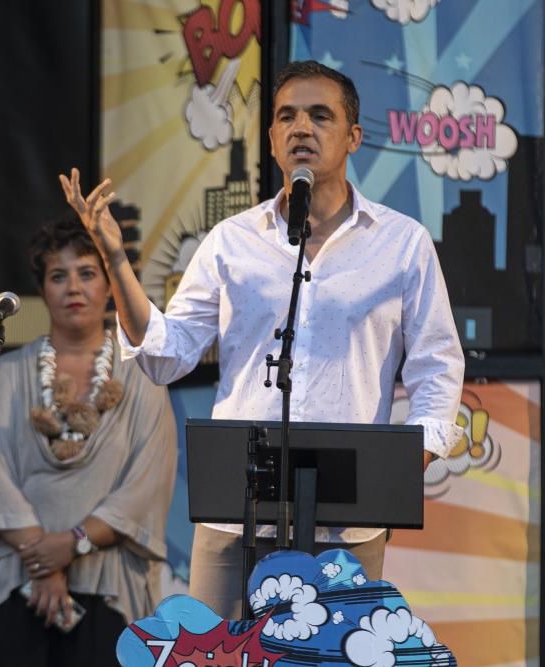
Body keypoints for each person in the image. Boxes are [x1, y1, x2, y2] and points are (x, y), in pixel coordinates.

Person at [60, 60, 464, 619]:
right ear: (272, 139)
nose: (302, 128)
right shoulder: (231, 242)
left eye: (320, 116)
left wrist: (400, 466)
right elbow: (165, 355)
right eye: (287, 117)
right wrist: (113, 257)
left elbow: (438, 365)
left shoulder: (401, 243)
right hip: (235, 518)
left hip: (348, 522)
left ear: (353, 138)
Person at [0, 215, 178, 666]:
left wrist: (73, 543)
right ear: (43, 291)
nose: (73, 287)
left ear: (110, 284)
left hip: (110, 584)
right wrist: (43, 560)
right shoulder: (7, 371)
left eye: (86, 273)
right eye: (58, 276)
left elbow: (146, 483)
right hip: (15, 580)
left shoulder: (143, 376)